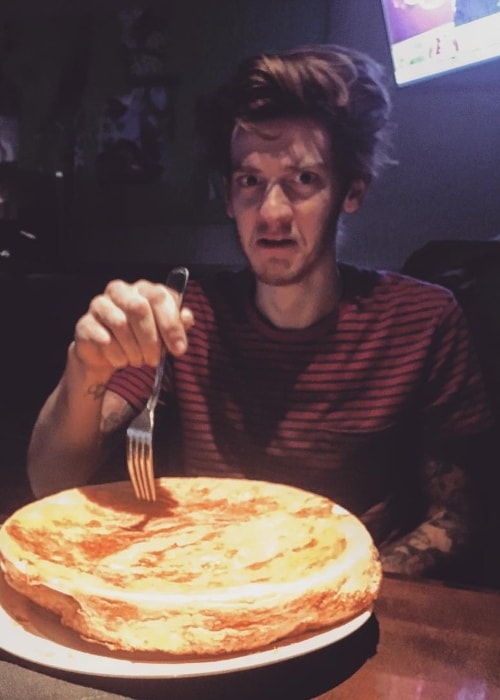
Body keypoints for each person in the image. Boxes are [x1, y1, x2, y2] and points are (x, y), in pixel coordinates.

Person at [27, 44, 494, 580]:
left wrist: (334, 587)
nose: (272, 213)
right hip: (204, 584)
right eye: (250, 181)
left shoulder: (422, 320)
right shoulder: (185, 318)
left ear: (351, 191)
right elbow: (52, 483)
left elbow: (460, 516)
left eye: (304, 181)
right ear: (228, 195)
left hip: (360, 598)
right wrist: (84, 368)